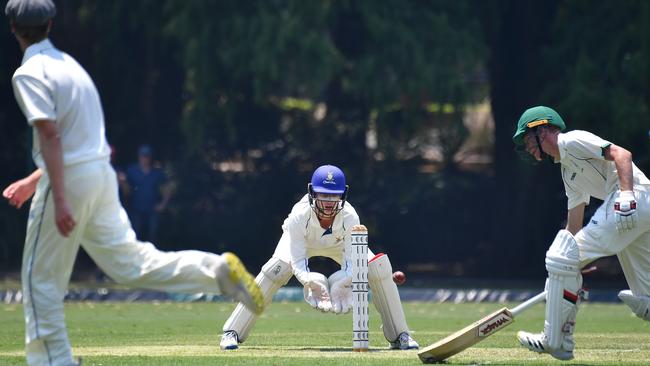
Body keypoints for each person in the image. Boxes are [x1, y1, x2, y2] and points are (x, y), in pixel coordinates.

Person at [2, 1, 263, 364]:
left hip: (72, 181)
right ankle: (216, 271)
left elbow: (50, 135)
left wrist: (59, 197)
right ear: (50, 23)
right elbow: (88, 144)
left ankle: (53, 361)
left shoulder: (29, 72)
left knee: (39, 280)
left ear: (13, 28)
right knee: (131, 264)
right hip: (99, 176)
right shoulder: (73, 70)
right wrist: (35, 180)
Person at [219, 164, 419, 350]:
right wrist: (309, 280)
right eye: (323, 194)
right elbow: (297, 260)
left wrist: (344, 281)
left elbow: (353, 260)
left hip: (339, 245)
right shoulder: (299, 215)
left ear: (343, 194)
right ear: (312, 192)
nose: (329, 202)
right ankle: (232, 332)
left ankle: (400, 335)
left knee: (377, 269)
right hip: (302, 242)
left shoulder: (350, 217)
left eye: (334, 195)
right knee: (275, 269)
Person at [511, 106, 650, 360]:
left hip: (630, 200)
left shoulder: (573, 140)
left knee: (560, 257)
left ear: (542, 130)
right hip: (637, 212)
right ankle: (561, 339)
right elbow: (573, 227)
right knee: (646, 302)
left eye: (527, 139)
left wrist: (627, 195)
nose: (527, 146)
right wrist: (572, 263)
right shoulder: (567, 171)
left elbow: (622, 154)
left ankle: (555, 340)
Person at [121, 145, 171, 242]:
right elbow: (127, 191)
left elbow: (167, 188)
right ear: (139, 156)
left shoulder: (157, 172)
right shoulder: (131, 170)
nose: (145, 159)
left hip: (152, 210)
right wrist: (123, 183)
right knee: (134, 237)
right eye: (143, 156)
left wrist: (163, 204)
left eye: (147, 156)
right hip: (136, 209)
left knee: (153, 237)